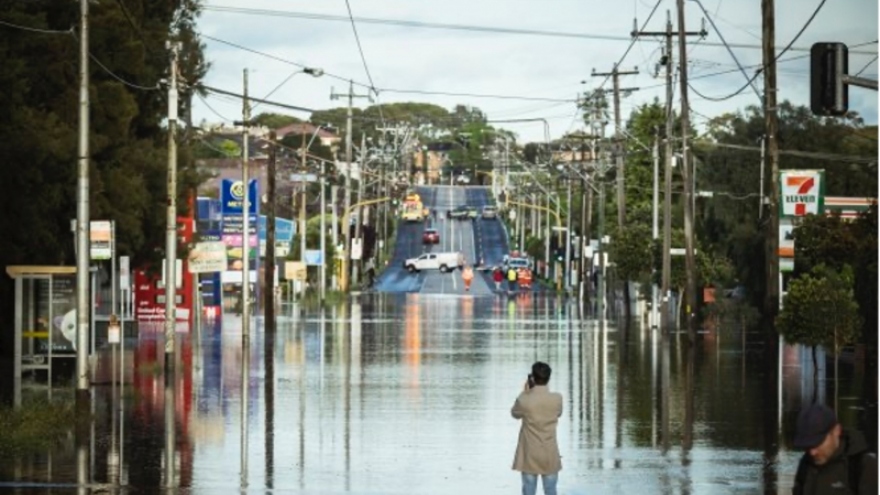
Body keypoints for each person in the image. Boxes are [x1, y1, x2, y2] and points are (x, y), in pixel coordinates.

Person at [792, 403, 877, 495]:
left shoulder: (864, 466)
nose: (812, 452)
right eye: (807, 446)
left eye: (818, 443)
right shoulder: (805, 465)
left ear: (837, 431)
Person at [511, 361, 563, 495]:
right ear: (548, 378)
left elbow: (514, 413)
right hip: (549, 452)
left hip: (529, 453)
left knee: (528, 490)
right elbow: (558, 413)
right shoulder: (557, 398)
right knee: (551, 490)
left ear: (532, 378)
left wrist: (526, 392)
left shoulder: (525, 399)